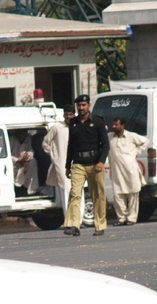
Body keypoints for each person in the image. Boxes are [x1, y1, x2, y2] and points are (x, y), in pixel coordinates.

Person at [64, 94, 109, 237]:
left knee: (98, 195)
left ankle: (100, 225)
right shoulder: (73, 123)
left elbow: (106, 144)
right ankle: (73, 225)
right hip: (78, 164)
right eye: (79, 105)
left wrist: (101, 161)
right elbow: (70, 145)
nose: (81, 108)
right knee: (75, 194)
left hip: (95, 164)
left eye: (83, 105)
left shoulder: (97, 121)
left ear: (88, 105)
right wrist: (67, 165)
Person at [42, 105, 84, 220]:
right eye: (67, 115)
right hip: (62, 164)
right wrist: (54, 156)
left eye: (71, 114)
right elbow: (45, 143)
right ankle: (70, 220)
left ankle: (79, 220)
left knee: (78, 190)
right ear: (64, 115)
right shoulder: (57, 127)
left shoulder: (79, 126)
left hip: (78, 163)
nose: (69, 117)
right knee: (66, 190)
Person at [107, 117, 150, 225]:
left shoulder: (131, 136)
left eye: (116, 125)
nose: (114, 127)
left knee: (133, 193)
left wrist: (136, 151)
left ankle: (131, 218)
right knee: (118, 195)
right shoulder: (110, 137)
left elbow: (146, 141)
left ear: (123, 125)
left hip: (131, 170)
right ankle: (121, 219)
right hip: (116, 171)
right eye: (113, 125)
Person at [10, 129, 39, 195]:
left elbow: (31, 150)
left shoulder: (28, 138)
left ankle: (30, 189)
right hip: (13, 162)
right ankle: (17, 188)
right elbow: (6, 154)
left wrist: (28, 155)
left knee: (33, 161)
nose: (23, 134)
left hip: (24, 162)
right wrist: (17, 160)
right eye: (21, 132)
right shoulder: (11, 139)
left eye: (24, 132)